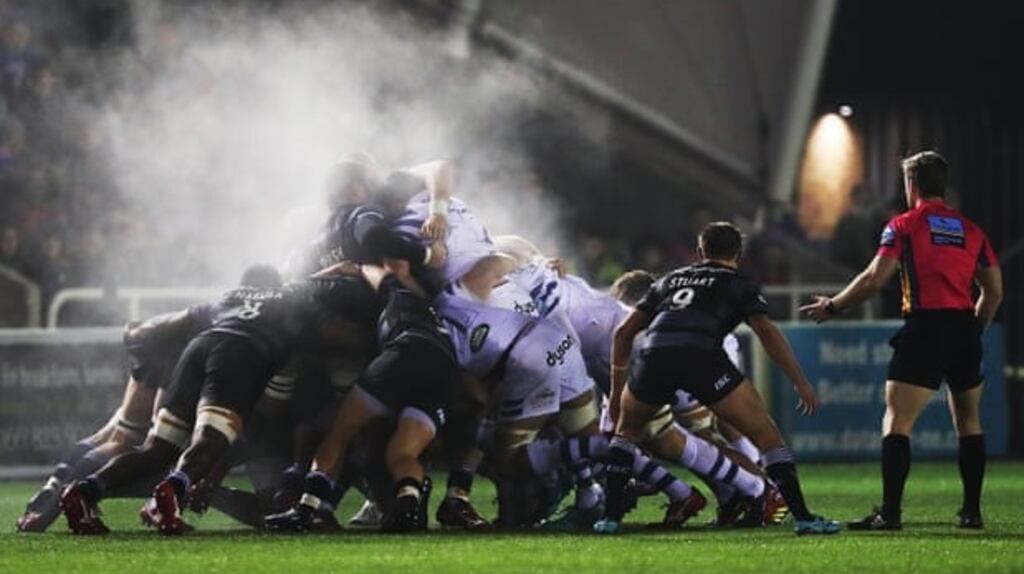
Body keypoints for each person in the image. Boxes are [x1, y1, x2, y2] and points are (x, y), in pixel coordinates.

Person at [595, 222, 841, 536]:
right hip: (702, 357)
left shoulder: (670, 279)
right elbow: (766, 332)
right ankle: (804, 518)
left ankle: (610, 519)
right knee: (766, 436)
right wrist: (800, 380)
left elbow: (624, 334)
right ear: (738, 254)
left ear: (700, 252)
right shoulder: (739, 283)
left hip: (655, 356)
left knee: (625, 434)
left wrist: (617, 391)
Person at [801, 151, 1003, 530]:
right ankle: (971, 512)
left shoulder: (905, 224)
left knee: (897, 422)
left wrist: (834, 305)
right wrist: (973, 331)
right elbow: (993, 292)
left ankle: (890, 513)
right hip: (964, 329)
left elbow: (876, 278)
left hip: (926, 327)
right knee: (969, 421)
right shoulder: (972, 231)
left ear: (911, 184)